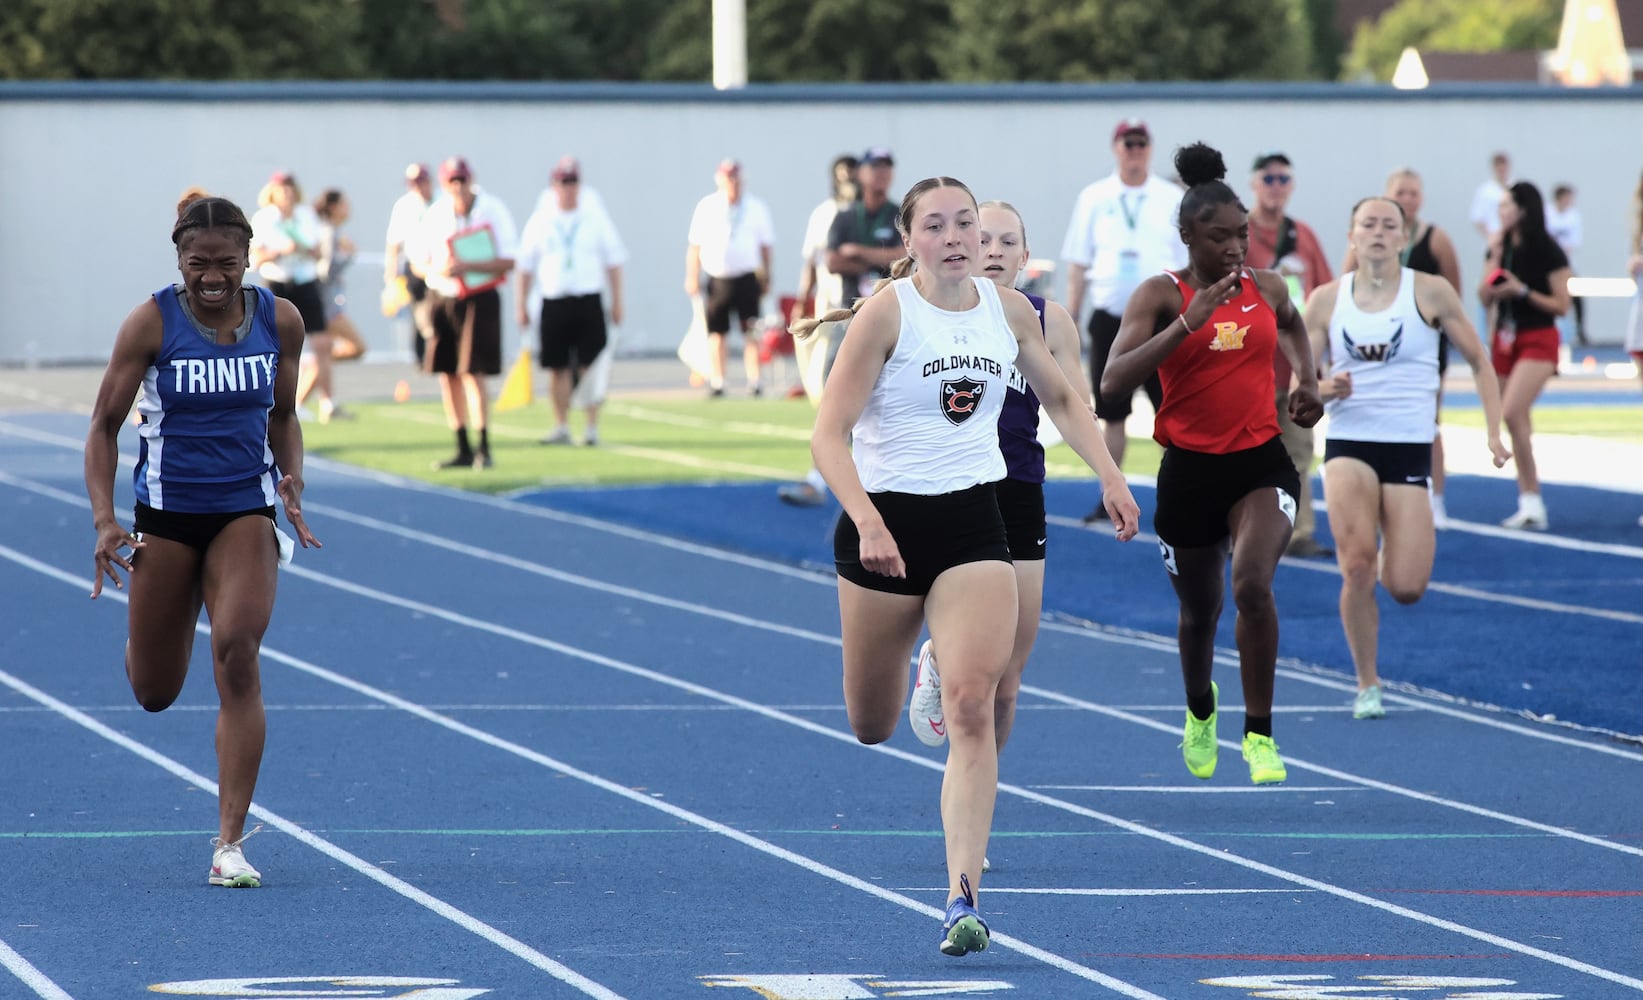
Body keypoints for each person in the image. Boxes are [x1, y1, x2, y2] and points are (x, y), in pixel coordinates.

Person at [798, 177, 1138, 955]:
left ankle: (961, 896)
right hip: (883, 527)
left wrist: (1111, 476)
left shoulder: (1011, 312)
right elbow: (826, 436)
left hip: (971, 523)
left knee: (974, 704)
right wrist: (867, 519)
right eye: (937, 226)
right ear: (908, 238)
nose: (958, 239)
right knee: (870, 725)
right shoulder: (886, 315)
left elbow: (1061, 398)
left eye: (967, 225)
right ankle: (921, 659)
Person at [84, 193, 321, 888]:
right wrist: (105, 520)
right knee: (155, 691)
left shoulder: (280, 320)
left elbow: (283, 415)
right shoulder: (150, 323)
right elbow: (102, 427)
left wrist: (292, 478)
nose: (211, 277)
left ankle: (229, 844)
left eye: (225, 264)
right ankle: (153, 627)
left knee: (237, 650)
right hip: (165, 518)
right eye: (198, 264)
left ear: (249, 259)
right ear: (179, 260)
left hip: (243, 512)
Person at [1101, 141, 1323, 787]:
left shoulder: (1267, 285)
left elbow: (1293, 325)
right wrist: (1184, 326)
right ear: (1187, 235)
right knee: (1199, 614)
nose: (1234, 248)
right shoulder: (1159, 295)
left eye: (1241, 235)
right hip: (1189, 474)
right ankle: (1200, 708)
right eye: (1219, 237)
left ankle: (1259, 734)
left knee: (1251, 585)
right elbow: (1111, 384)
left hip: (1259, 463)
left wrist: (1303, 382)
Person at [1305, 196, 1510, 720]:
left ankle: (1379, 551)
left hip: (1409, 446)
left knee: (1406, 586)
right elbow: (1297, 390)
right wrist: (1324, 389)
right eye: (1367, 224)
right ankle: (1366, 683)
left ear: (1404, 236)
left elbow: (1481, 362)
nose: (1377, 232)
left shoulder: (1430, 291)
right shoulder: (1326, 301)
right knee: (1355, 567)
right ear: (1351, 236)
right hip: (1349, 445)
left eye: (1388, 225)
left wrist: (1493, 432)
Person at [906, 200, 1089, 761]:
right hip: (952, 489)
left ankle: (979, 792)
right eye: (984, 239)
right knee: (975, 683)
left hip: (1019, 492)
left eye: (1008, 242)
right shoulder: (929, 315)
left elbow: (1074, 403)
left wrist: (1108, 473)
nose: (994, 251)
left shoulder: (1044, 319)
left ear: (1025, 257)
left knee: (1007, 682)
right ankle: (942, 655)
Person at [1060, 119, 1185, 523]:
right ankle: (1109, 495)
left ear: (1150, 148)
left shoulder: (1170, 196)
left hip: (1161, 319)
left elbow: (1185, 261)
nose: (1134, 150)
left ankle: (1184, 492)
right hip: (1110, 317)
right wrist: (1072, 315)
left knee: (1170, 408)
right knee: (1110, 410)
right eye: (1127, 143)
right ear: (1116, 147)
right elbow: (1079, 260)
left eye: (1141, 143)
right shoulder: (1095, 196)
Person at [779, 149, 901, 507]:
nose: (880, 175)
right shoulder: (845, 216)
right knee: (838, 398)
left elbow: (903, 259)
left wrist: (858, 252)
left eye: (886, 169)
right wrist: (879, 255)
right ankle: (820, 478)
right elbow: (832, 260)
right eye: (874, 168)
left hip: (892, 318)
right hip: (852, 318)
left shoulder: (899, 215)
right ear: (861, 174)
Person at [1342, 168, 1463, 528]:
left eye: (1413, 193)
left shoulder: (1435, 239)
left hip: (1422, 345)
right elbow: (1345, 282)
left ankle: (1435, 498)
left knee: (1429, 420)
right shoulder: (1366, 240)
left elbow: (1453, 291)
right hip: (1374, 342)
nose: (1408, 199)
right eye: (1401, 192)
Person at [1244, 151, 1335, 558]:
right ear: (1254, 184)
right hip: (1250, 365)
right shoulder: (1239, 234)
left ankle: (1299, 532)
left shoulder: (1305, 236)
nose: (1276, 187)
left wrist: (1323, 360)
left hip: (1296, 367)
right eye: (1269, 179)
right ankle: (1243, 534)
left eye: (1283, 179)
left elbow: (1327, 294)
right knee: (1244, 454)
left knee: (1299, 452)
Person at [413, 156, 518, 471]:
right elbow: (419, 260)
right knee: (448, 374)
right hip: (444, 296)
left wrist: (470, 265)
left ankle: (484, 444)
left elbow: (509, 259)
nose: (458, 187)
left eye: (462, 180)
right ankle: (461, 445)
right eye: (452, 181)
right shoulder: (437, 214)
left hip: (478, 296)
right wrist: (438, 268)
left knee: (474, 371)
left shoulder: (492, 209)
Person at [515, 156, 627, 447]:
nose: (568, 188)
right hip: (553, 298)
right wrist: (521, 304)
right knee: (557, 366)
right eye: (563, 182)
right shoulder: (541, 221)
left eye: (572, 182)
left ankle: (591, 427)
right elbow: (525, 266)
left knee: (591, 364)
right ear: (554, 186)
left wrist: (617, 301)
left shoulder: (594, 218)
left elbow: (614, 261)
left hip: (588, 297)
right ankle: (561, 425)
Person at [1479, 181, 1572, 531]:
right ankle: (1529, 500)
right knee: (1517, 423)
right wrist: (1493, 259)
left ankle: (1532, 496)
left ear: (1524, 209)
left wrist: (1522, 291)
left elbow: (1562, 304)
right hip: (1506, 338)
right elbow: (1483, 294)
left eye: (1506, 205)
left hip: (1538, 337)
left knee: (1513, 411)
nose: (1501, 212)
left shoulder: (1549, 250)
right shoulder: (1502, 247)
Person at [684, 159, 776, 397]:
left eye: (735, 178)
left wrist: (766, 275)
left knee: (752, 332)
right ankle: (719, 381)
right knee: (717, 332)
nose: (732, 183)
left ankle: (755, 381)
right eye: (728, 178)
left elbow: (766, 246)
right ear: (720, 180)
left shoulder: (755, 207)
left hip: (747, 277)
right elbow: (695, 245)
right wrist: (691, 276)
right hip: (718, 278)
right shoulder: (707, 206)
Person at [249, 172, 334, 420]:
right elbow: (255, 258)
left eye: (290, 188)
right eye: (281, 189)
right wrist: (278, 251)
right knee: (275, 344)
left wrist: (305, 249)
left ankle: (327, 401)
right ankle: (272, 398)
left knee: (322, 343)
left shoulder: (306, 216)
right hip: (278, 282)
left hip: (305, 280)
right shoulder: (264, 218)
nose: (286, 193)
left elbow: (319, 252)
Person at [308, 188, 366, 402]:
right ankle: (311, 365)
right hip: (326, 305)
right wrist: (348, 256)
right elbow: (326, 271)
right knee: (358, 347)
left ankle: (302, 402)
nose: (348, 209)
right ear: (333, 207)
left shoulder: (331, 231)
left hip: (329, 303)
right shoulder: (329, 232)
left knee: (326, 353)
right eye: (344, 204)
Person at [384, 163, 436, 364]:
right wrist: (391, 273)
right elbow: (393, 243)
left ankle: (437, 354)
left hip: (439, 267)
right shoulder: (404, 206)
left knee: (437, 312)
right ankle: (423, 358)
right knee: (421, 313)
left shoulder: (441, 201)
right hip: (416, 267)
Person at [1545, 184, 1586, 345]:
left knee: (1576, 297)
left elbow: (1574, 243)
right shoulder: (1547, 213)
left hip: (1565, 264)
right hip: (1548, 264)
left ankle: (1580, 329)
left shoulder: (1573, 216)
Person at [1469, 152, 1511, 241]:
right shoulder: (1484, 191)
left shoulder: (1515, 187)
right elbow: (1477, 218)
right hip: (1495, 237)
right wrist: (1490, 237)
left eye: (1503, 164)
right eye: (1498, 165)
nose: (1501, 168)